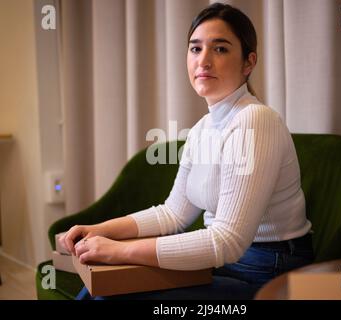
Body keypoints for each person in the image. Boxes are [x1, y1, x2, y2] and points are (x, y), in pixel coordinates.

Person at [60, 2, 314, 300]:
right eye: (195, 49)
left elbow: (227, 242)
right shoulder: (202, 129)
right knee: (101, 287)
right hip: (221, 262)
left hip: (264, 271)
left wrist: (118, 251)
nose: (203, 61)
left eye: (220, 49)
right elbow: (173, 214)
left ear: (249, 62)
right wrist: (98, 230)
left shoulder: (255, 120)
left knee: (112, 294)